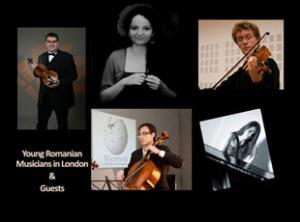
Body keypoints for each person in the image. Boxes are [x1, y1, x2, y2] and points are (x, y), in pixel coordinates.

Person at [100, 4, 177, 103]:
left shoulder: (164, 58)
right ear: (127, 30)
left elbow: (176, 98)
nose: (140, 33)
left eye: (146, 28)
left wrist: (162, 87)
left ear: (153, 32)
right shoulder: (115, 57)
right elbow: (102, 98)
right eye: (134, 28)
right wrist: (122, 83)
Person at [116, 123, 184, 190]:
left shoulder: (162, 149)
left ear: (153, 134)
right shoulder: (135, 154)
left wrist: (158, 152)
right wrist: (122, 173)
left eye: (144, 133)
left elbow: (179, 163)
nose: (141, 137)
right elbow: (129, 171)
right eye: (139, 134)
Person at [30, 32, 77, 129]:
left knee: (62, 125)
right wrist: (35, 69)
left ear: (58, 43)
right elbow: (38, 74)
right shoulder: (41, 57)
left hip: (61, 97)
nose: (51, 44)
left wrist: (60, 82)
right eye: (49, 41)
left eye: (54, 41)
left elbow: (73, 75)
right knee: (41, 124)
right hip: (45, 98)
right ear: (45, 43)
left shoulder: (67, 57)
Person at [215, 21, 280, 92]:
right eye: (240, 39)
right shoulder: (242, 70)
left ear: (258, 39)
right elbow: (221, 89)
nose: (244, 42)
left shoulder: (269, 64)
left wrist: (257, 81)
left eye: (248, 37)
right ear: (238, 44)